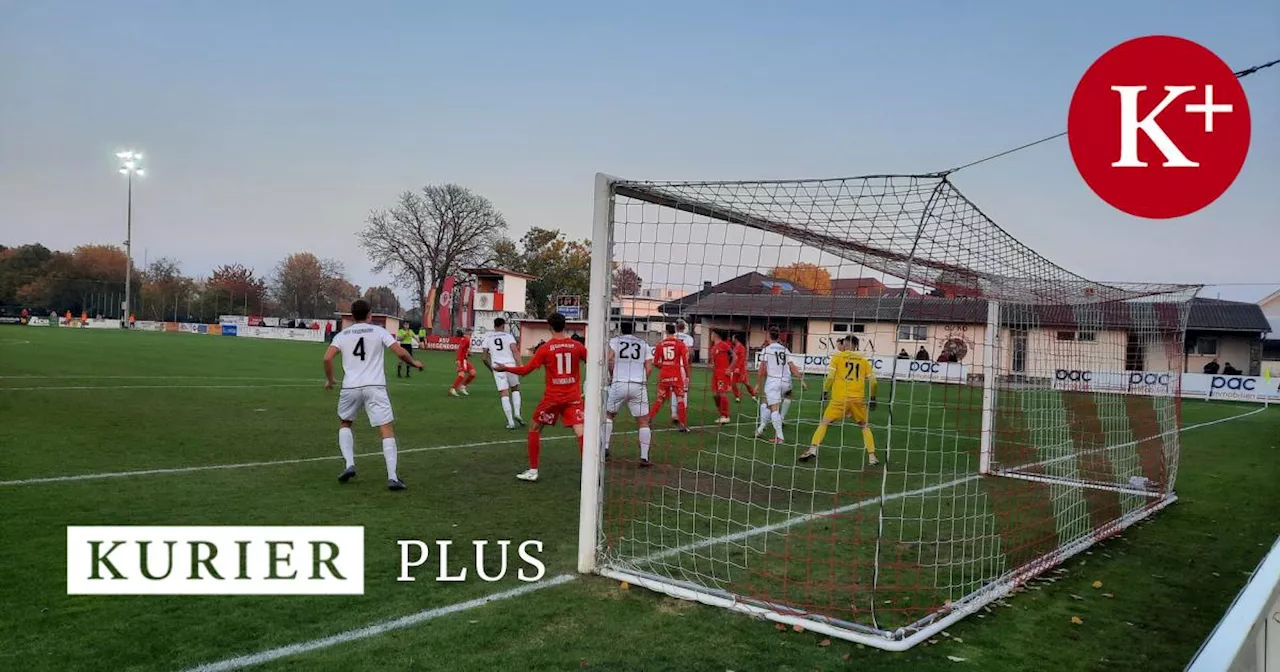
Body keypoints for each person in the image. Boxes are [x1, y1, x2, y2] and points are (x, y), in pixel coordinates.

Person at [323, 299, 422, 491]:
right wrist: (414, 363)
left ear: (352, 316)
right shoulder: (379, 331)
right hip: (375, 385)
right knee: (385, 428)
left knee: (345, 422)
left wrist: (330, 378)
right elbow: (399, 352)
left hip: (350, 386)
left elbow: (327, 358)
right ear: (370, 314)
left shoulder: (343, 335)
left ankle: (349, 464)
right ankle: (392, 477)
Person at [493, 312, 587, 482]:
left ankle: (533, 470)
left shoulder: (545, 349)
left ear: (549, 326)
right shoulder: (577, 346)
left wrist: (505, 368)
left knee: (534, 428)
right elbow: (592, 362)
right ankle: (590, 474)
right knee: (581, 433)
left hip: (552, 399)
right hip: (573, 398)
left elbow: (525, 370)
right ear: (564, 325)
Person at [799, 336, 878, 465]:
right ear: (856, 346)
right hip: (857, 399)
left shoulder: (837, 358)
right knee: (864, 426)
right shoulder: (863, 361)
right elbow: (874, 382)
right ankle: (872, 456)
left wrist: (825, 392)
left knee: (824, 423)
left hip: (839, 399)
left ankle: (813, 449)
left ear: (845, 344)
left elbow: (830, 377)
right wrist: (873, 398)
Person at [605, 321, 654, 465]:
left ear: (620, 329)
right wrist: (642, 380)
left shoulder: (615, 342)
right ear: (634, 329)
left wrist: (612, 376)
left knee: (609, 415)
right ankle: (644, 457)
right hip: (638, 385)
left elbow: (610, 360)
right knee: (644, 421)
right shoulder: (643, 344)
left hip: (619, 382)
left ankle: (605, 447)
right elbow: (649, 367)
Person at [756, 326, 806, 443]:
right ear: (778, 336)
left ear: (768, 336)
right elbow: (792, 366)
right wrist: (801, 380)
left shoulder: (767, 350)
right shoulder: (785, 349)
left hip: (773, 382)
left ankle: (779, 437)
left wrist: (758, 385)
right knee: (767, 402)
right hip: (786, 382)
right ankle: (760, 429)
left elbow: (761, 369)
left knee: (773, 408)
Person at [482, 318, 525, 429]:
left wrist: (491, 368)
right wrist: (520, 365)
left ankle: (510, 422)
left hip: (497, 366)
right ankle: (517, 413)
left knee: (504, 393)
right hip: (510, 366)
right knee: (515, 388)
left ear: (494, 325)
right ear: (503, 325)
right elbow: (515, 351)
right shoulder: (508, 336)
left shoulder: (488, 338)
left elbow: (484, 358)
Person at [648, 323, 691, 432]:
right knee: (680, 398)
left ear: (666, 332)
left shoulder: (660, 344)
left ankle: (649, 419)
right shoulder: (679, 344)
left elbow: (656, 362)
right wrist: (687, 375)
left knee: (660, 399)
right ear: (674, 332)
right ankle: (683, 424)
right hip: (676, 374)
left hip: (664, 374)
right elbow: (685, 361)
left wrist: (664, 366)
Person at [709, 329, 735, 424]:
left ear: (716, 335)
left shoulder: (724, 345)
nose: (711, 335)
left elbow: (734, 356)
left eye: (712, 334)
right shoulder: (713, 347)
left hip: (722, 373)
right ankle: (722, 413)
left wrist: (730, 368)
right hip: (715, 373)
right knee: (715, 395)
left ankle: (725, 415)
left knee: (722, 393)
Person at [672, 319, 695, 424]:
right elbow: (690, 353)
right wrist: (688, 365)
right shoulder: (689, 338)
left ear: (675, 327)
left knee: (673, 390)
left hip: (672, 366)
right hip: (683, 366)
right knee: (684, 391)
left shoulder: (671, 337)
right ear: (684, 327)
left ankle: (674, 414)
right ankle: (682, 414)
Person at [450, 328, 477, 396]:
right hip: (461, 360)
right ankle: (452, 389)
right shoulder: (465, 339)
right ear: (467, 332)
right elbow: (460, 349)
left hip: (464, 360)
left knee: (473, 373)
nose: (471, 332)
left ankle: (462, 387)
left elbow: (464, 349)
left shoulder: (467, 339)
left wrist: (468, 353)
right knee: (461, 375)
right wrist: (458, 360)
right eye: (470, 331)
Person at [731, 334, 756, 401]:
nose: (732, 339)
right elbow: (734, 358)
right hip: (735, 369)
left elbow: (742, 358)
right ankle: (737, 396)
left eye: (732, 338)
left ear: (736, 339)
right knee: (733, 383)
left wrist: (738, 367)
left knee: (746, 383)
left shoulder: (741, 347)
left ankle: (753, 394)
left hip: (741, 369)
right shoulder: (735, 347)